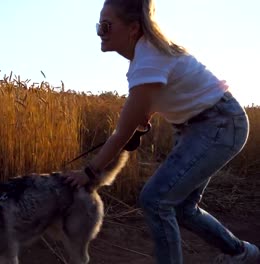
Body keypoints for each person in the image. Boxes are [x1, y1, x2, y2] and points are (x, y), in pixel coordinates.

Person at [63, 0, 260, 263]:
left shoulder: (148, 59)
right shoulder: (145, 57)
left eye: (107, 26)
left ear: (133, 28)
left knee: (155, 200)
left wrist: (89, 172)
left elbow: (121, 133)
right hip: (203, 127)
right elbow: (171, 93)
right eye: (99, 26)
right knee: (183, 208)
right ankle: (241, 253)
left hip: (219, 125)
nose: (101, 32)